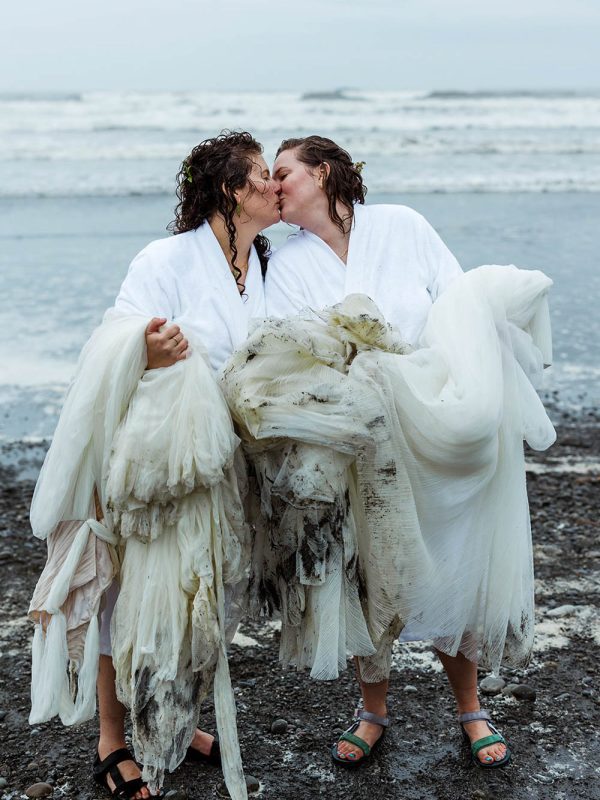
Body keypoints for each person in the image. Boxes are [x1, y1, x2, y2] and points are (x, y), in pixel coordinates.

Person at [258, 135, 546, 770]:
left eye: (283, 173)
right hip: (361, 437)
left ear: (324, 172)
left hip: (435, 422)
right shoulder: (290, 263)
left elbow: (458, 303)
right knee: (369, 566)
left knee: (454, 557)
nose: (273, 186)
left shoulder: (404, 226)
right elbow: (290, 351)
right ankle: (372, 711)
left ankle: (472, 709)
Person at [28, 131, 281, 800]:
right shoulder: (165, 258)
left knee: (206, 595)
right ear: (230, 189)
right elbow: (116, 333)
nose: (273, 185)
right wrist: (148, 343)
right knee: (133, 596)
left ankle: (174, 720)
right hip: (158, 465)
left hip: (227, 461)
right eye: (260, 174)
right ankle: (114, 739)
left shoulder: (263, 263)